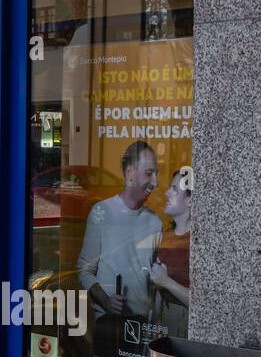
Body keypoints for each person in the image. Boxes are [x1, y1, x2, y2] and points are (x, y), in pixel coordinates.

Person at [76, 141, 163, 336]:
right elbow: (84, 269)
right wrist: (106, 300)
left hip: (144, 330)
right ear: (131, 174)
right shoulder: (102, 212)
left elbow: (153, 281)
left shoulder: (155, 222)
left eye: (156, 173)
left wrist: (156, 321)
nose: (156, 182)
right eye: (149, 173)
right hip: (109, 326)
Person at [149, 166, 191, 337]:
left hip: (187, 324)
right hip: (164, 323)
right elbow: (158, 291)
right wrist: (153, 325)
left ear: (190, 200)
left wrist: (166, 281)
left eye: (174, 189)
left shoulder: (198, 243)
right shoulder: (165, 237)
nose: (167, 193)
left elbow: (207, 304)